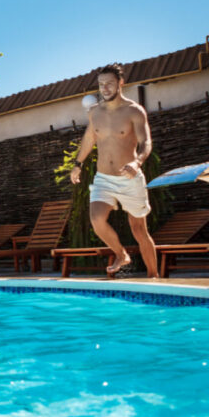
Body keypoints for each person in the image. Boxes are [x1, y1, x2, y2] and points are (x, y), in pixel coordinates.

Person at [69, 63, 159, 278]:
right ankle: (121, 255)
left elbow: (146, 142)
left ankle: (154, 276)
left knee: (139, 230)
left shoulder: (133, 111)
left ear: (120, 83)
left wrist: (137, 162)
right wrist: (78, 164)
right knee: (97, 219)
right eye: (101, 85)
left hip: (129, 178)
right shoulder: (95, 112)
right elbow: (90, 138)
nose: (105, 88)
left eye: (109, 83)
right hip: (104, 178)